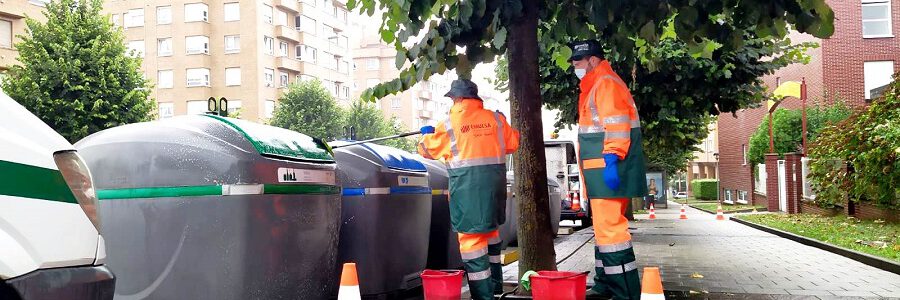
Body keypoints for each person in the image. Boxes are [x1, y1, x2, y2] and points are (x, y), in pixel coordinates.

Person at [418, 79, 520, 300]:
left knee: (472, 245)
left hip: (467, 191)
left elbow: (427, 150)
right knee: (491, 237)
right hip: (494, 191)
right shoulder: (496, 118)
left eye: (453, 97)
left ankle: (484, 297)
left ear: (460, 98)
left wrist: (425, 135)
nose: (453, 101)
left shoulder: (449, 123)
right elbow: (513, 144)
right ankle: (495, 288)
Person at [569, 40, 648, 299]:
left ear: (592, 60)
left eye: (578, 61)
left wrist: (613, 158)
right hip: (601, 171)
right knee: (604, 228)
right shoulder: (596, 85)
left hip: (608, 168)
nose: (574, 66)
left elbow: (616, 124)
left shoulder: (605, 84)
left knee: (612, 230)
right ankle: (605, 283)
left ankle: (625, 292)